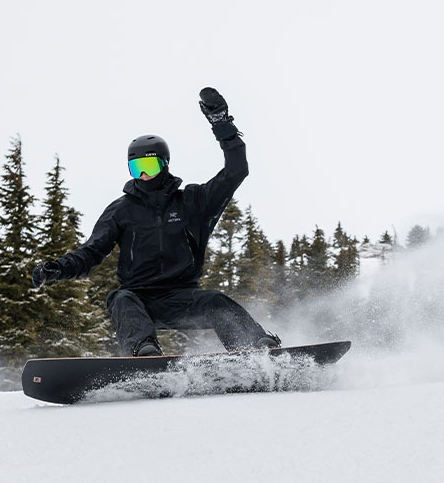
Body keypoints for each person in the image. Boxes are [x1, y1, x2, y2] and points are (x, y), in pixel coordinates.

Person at [32, 87, 280, 357]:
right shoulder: (121, 210)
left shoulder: (193, 202)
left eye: (150, 168)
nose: (145, 176)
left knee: (215, 300)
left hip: (181, 297)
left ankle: (255, 348)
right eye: (137, 169)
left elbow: (236, 171)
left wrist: (222, 125)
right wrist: (58, 269)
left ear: (165, 165)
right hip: (139, 300)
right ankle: (144, 351)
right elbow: (91, 251)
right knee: (120, 298)